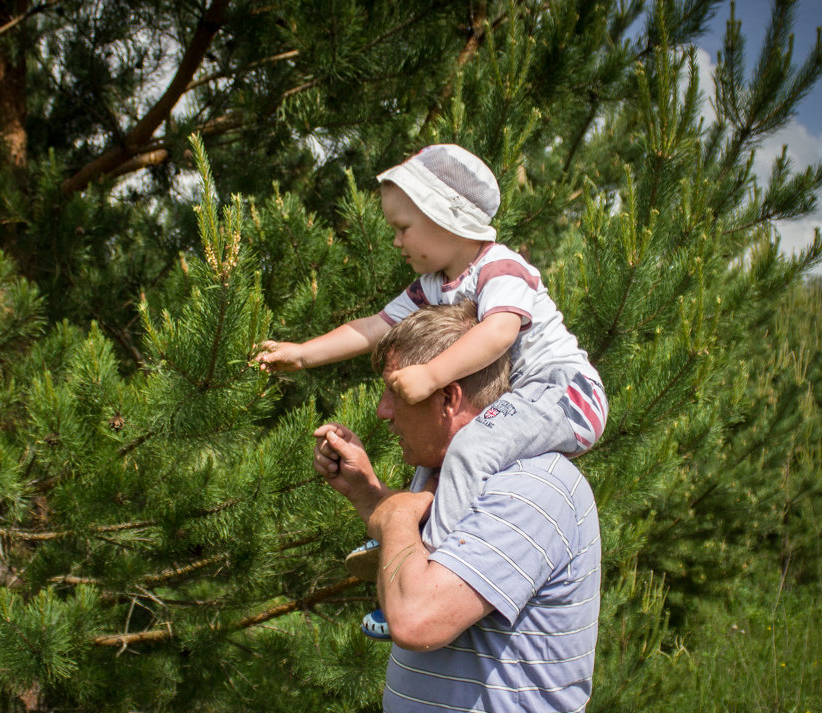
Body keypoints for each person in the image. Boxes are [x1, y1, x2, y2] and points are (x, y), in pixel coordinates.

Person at [260, 144, 607, 638]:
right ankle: (405, 546)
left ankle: (430, 560)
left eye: (403, 228)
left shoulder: (499, 267)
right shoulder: (434, 283)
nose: (396, 241)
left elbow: (500, 332)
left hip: (564, 394)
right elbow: (373, 327)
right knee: (434, 456)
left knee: (467, 447)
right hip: (518, 399)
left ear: (446, 218)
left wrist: (430, 375)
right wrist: (300, 353)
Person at [313, 302, 601, 713]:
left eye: (393, 391)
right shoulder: (454, 481)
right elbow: (425, 564)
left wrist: (398, 514)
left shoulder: (527, 488)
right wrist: (370, 497)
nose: (383, 411)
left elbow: (417, 619)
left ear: (447, 397)